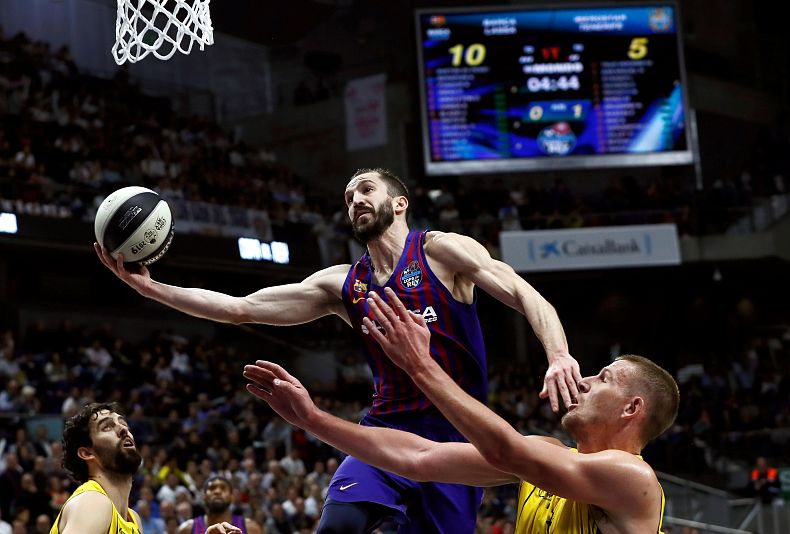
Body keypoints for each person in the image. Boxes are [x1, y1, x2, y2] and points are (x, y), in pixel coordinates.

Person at [96, 168, 580, 533]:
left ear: (400, 203)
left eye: (366, 190)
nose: (355, 200)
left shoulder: (441, 251)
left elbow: (524, 294)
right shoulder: (343, 284)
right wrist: (152, 290)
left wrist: (558, 354)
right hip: (384, 437)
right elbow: (240, 307)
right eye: (349, 197)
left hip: (461, 442)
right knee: (338, 528)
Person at [243, 288, 681, 533]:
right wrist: (311, 419)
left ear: (632, 408)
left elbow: (507, 450)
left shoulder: (633, 479)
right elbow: (419, 458)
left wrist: (420, 366)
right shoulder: (547, 455)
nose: (584, 380)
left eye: (602, 378)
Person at [49, 402, 242, 534]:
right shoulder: (94, 502)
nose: (124, 429)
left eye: (123, 423)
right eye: (107, 427)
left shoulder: (133, 519)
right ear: (87, 453)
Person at [178, 475, 263, 534]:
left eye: (223, 488)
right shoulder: (186, 529)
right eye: (212, 488)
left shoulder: (251, 528)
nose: (217, 491)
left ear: (231, 497)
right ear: (204, 496)